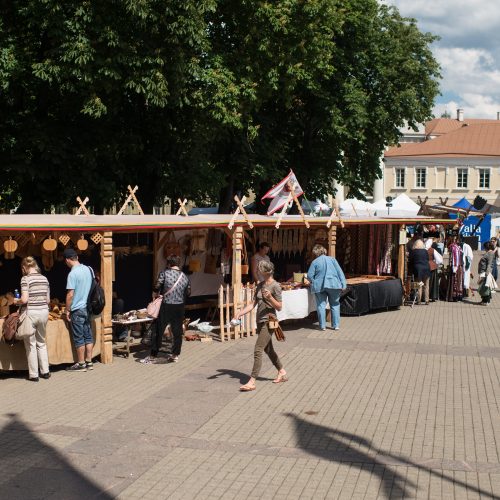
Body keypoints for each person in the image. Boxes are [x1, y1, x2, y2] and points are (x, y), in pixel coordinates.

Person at [233, 260, 287, 391]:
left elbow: (279, 307)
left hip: (269, 321)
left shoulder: (276, 286)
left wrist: (270, 298)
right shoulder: (260, 285)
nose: (257, 271)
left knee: (258, 349)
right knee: (268, 349)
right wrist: (240, 313)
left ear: (265, 271)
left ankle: (252, 381)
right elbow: (253, 304)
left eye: (259, 270)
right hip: (260, 321)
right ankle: (282, 371)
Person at [142, 254, 190, 364]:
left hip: (166, 305)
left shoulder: (164, 273)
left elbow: (156, 286)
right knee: (177, 331)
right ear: (178, 263)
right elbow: (188, 292)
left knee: (158, 329)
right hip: (179, 306)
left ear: (169, 263)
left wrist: (156, 294)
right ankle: (175, 355)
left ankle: (153, 356)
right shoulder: (185, 276)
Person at [15, 256, 50, 382]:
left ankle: (34, 374)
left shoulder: (25, 279)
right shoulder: (45, 279)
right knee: (42, 342)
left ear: (24, 267)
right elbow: (48, 300)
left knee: (31, 344)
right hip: (44, 312)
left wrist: (16, 301)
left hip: (31, 313)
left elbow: (24, 299)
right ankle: (45, 371)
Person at [64, 248, 94, 372]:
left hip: (77, 309)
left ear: (67, 260)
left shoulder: (72, 273)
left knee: (79, 337)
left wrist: (67, 310)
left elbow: (70, 294)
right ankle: (89, 362)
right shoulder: (88, 269)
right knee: (88, 336)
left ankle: (81, 364)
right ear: (77, 258)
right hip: (88, 308)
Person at [306, 244, 346, 330]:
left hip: (319, 286)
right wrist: (343, 284)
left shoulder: (315, 262)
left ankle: (322, 326)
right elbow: (340, 272)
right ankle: (336, 325)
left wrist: (314, 281)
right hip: (334, 285)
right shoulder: (332, 259)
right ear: (324, 251)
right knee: (335, 305)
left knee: (321, 305)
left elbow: (309, 276)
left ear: (315, 253)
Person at [409, 239, 431, 304]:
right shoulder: (425, 251)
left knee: (419, 284)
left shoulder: (413, 252)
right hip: (426, 269)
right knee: (426, 285)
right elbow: (427, 259)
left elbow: (411, 261)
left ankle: (419, 300)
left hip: (418, 270)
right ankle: (427, 300)